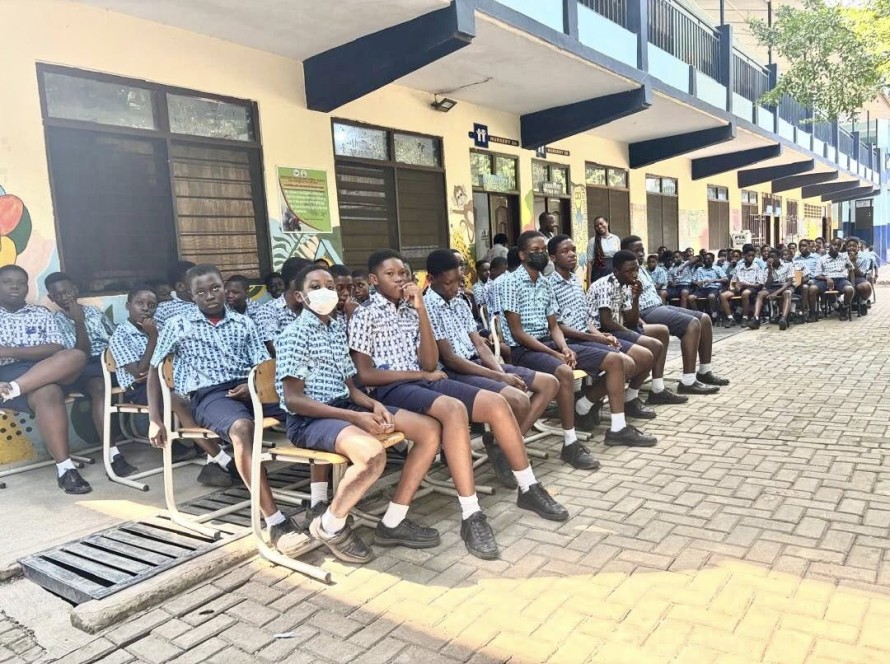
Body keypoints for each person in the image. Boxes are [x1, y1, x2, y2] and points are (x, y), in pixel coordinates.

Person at [277, 264, 443, 562]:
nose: (326, 292)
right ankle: (330, 526)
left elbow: (350, 386)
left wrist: (372, 405)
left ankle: (393, 520)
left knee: (429, 429)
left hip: (344, 407)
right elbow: (294, 400)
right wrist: (355, 417)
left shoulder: (335, 328)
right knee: (372, 455)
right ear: (300, 297)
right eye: (315, 287)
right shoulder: (294, 335)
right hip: (309, 420)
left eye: (330, 286)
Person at [349, 250, 503, 559]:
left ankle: (393, 522)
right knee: (453, 409)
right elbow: (365, 374)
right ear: (373, 280)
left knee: (434, 429)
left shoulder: (411, 311)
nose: (399, 279)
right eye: (390, 274)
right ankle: (471, 512)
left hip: (418, 384)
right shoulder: (364, 315)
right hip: (387, 392)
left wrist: (420, 311)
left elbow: (430, 362)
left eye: (403, 274)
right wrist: (420, 374)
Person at [146, 264, 303, 553]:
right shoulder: (179, 324)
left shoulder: (243, 323)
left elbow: (262, 365)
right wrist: (155, 419)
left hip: (249, 388)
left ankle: (321, 501)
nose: (209, 296)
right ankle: (276, 521)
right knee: (243, 429)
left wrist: (250, 385)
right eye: (201, 292)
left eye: (215, 288)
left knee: (308, 405)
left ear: (223, 287)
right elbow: (156, 370)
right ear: (190, 295)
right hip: (210, 395)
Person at [503, 231, 656, 468]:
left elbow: (553, 325)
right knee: (564, 372)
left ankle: (617, 428)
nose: (540, 254)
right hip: (524, 349)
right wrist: (557, 352)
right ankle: (570, 442)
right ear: (522, 255)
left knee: (616, 360)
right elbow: (517, 333)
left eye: (543, 249)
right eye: (535, 251)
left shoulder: (544, 283)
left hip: (552, 343)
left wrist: (564, 348)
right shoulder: (510, 283)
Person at [424, 249, 564, 502]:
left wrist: (500, 371)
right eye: (448, 283)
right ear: (431, 279)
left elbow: (479, 344)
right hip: (455, 372)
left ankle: (501, 445)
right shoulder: (428, 306)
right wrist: (499, 378)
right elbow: (451, 359)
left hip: (479, 363)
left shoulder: (460, 301)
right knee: (518, 399)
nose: (454, 288)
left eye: (458, 281)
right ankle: (508, 450)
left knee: (549, 383)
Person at [109, 286, 236, 487]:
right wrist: (153, 338)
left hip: (171, 381)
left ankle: (213, 460)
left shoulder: (162, 326)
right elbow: (139, 372)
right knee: (178, 401)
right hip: (141, 389)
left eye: (151, 305)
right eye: (140, 304)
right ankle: (223, 460)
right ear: (128, 306)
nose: (146, 309)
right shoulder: (121, 335)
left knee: (205, 393)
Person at [0, 265, 92, 493]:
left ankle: (13, 389)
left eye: (21, 282)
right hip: (6, 374)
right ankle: (66, 469)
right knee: (49, 392)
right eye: (8, 282)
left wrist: (8, 351)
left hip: (44, 370)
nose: (15, 286)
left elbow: (55, 347)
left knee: (75, 356)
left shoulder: (40, 313)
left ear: (27, 287)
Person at [549, 236, 658, 425]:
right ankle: (610, 421)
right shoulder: (549, 285)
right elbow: (557, 326)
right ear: (553, 258)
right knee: (625, 363)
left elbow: (585, 320)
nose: (572, 254)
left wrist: (601, 336)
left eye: (573, 249)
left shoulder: (575, 280)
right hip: (568, 342)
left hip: (588, 336)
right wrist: (596, 338)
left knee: (644, 356)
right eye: (565, 251)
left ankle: (585, 404)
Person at [45, 272, 139, 478]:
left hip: (110, 362)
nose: (64, 297)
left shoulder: (94, 312)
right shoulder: (55, 321)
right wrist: (79, 322)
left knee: (146, 377)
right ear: (51, 298)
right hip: (83, 368)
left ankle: (171, 442)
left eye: (68, 292)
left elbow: (115, 337)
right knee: (99, 388)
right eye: (58, 295)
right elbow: (80, 355)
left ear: (76, 290)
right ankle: (113, 454)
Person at [622, 235, 728, 393]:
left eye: (642, 250)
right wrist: (638, 318)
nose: (641, 253)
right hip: (646, 311)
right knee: (692, 324)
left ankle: (705, 371)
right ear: (625, 252)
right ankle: (688, 381)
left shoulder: (641, 268)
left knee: (704, 319)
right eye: (636, 251)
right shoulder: (624, 272)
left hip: (659, 306)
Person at [590, 251, 687, 408]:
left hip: (620, 328)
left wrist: (636, 298)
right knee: (652, 347)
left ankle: (656, 388)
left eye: (636, 270)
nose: (634, 274)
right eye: (629, 271)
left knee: (661, 332)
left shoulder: (625, 284)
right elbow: (606, 322)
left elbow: (632, 320)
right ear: (616, 271)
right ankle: (631, 398)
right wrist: (630, 332)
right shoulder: (605, 285)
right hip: (602, 333)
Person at [256, 257, 310, 354]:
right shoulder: (268, 310)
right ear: (296, 281)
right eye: (312, 281)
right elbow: (276, 349)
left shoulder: (315, 308)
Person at [720, 244, 763, 327]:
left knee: (745, 293)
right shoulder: (739, 267)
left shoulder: (757, 267)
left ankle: (745, 318)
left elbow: (759, 285)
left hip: (751, 288)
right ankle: (730, 318)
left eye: (753, 256)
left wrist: (746, 284)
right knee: (723, 295)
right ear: (744, 256)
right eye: (749, 255)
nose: (751, 257)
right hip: (738, 288)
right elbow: (733, 280)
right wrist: (734, 286)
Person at [750, 249, 793, 330]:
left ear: (779, 257)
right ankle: (755, 318)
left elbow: (789, 282)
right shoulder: (766, 267)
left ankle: (783, 318)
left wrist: (776, 293)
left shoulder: (788, 265)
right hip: (773, 287)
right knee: (760, 294)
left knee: (787, 293)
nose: (770, 259)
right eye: (769, 257)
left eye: (773, 257)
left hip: (785, 286)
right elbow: (767, 284)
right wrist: (770, 270)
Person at [816, 241, 855, 319]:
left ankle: (844, 308)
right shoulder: (822, 259)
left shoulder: (844, 257)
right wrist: (827, 278)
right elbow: (817, 274)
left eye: (839, 245)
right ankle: (813, 313)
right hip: (826, 281)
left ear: (841, 247)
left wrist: (853, 284)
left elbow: (851, 270)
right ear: (830, 245)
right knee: (813, 289)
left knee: (849, 289)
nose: (836, 247)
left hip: (841, 280)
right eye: (834, 244)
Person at [154, 261, 197, 325]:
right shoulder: (165, 309)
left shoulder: (205, 303)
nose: (202, 284)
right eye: (196, 281)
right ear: (180, 286)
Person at [586, 216, 621, 285]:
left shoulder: (615, 238)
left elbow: (619, 258)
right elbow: (589, 263)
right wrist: (589, 282)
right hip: (599, 273)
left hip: (614, 272)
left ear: (607, 223)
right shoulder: (592, 241)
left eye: (601, 224)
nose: (599, 226)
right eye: (596, 226)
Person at [792, 240, 821, 322]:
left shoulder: (816, 257)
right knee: (804, 286)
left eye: (804, 245)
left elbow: (819, 271)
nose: (802, 247)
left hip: (814, 279)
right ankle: (802, 311)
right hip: (800, 280)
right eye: (800, 246)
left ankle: (809, 312)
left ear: (809, 246)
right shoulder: (796, 259)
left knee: (808, 286)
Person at [847, 240, 873, 316]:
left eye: (854, 246)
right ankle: (839, 305)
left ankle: (862, 303)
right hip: (843, 278)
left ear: (858, 247)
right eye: (849, 246)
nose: (851, 248)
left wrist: (853, 262)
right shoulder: (842, 256)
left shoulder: (864, 257)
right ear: (846, 247)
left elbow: (861, 274)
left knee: (865, 287)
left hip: (858, 277)